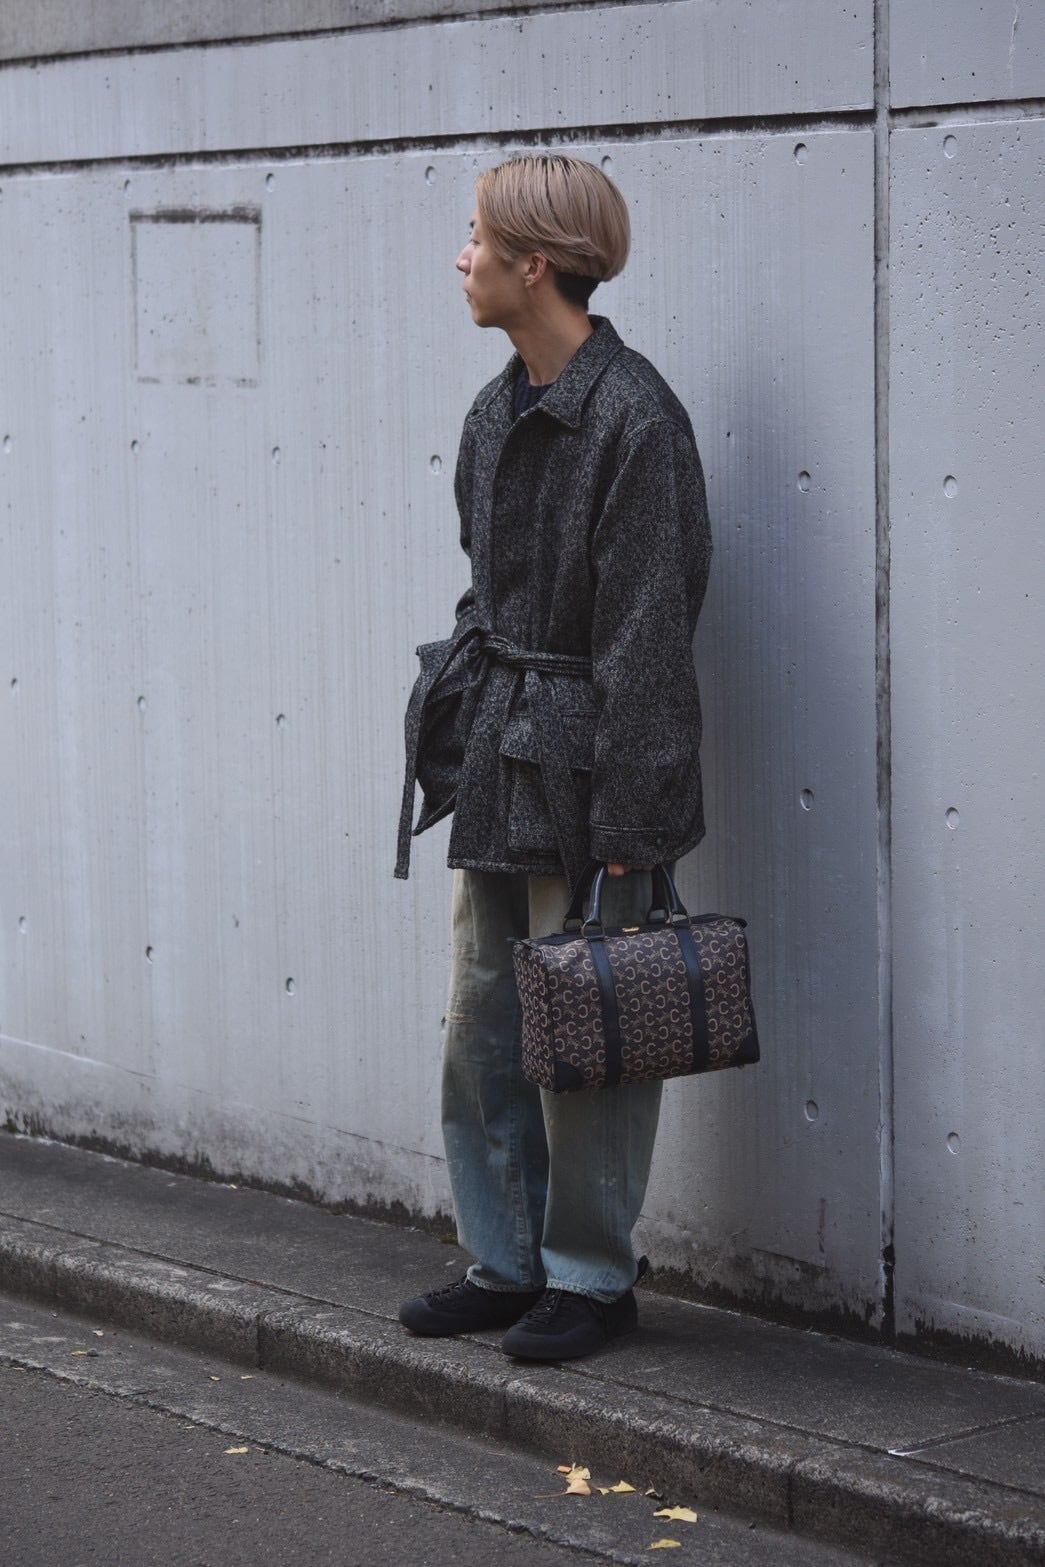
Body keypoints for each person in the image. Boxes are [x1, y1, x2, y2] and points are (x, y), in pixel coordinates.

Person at [395, 154, 711, 1360]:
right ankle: (506, 1258)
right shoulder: (494, 411)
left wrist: (635, 826)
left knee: (592, 1035)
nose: (460, 258)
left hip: (587, 778)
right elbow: (485, 588)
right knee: (482, 1025)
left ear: (533, 264)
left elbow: (648, 639)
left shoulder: (635, 421)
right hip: (499, 757)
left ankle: (590, 1278)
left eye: (475, 238)